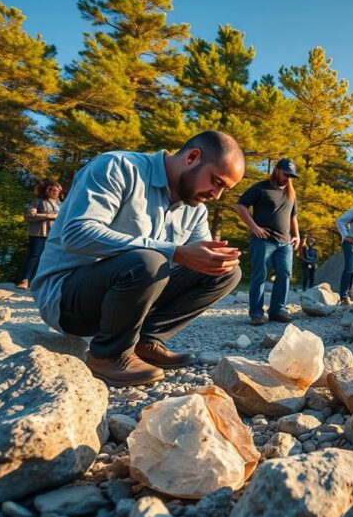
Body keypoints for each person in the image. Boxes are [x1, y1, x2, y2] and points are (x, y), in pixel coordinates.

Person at [30, 131, 245, 386]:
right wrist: (174, 251)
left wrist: (214, 259)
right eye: (216, 182)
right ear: (192, 157)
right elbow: (77, 234)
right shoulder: (118, 167)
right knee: (150, 260)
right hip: (68, 299)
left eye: (224, 189)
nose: (216, 195)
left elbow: (198, 261)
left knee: (226, 272)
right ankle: (108, 355)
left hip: (128, 296)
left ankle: (146, 340)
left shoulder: (195, 210)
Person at [236, 158, 300, 325]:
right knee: (260, 275)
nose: (288, 178)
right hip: (264, 241)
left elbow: (293, 216)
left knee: (284, 274)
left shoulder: (291, 193)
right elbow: (240, 206)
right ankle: (256, 314)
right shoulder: (261, 187)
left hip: (285, 243)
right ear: (277, 170)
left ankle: (277, 311)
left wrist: (297, 235)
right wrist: (254, 227)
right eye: (286, 174)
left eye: (291, 176)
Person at [16, 179, 63, 290]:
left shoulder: (61, 204)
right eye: (54, 190)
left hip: (54, 235)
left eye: (59, 191)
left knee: (49, 259)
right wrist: (49, 216)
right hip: (39, 233)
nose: (57, 193)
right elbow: (29, 215)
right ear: (48, 190)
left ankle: (39, 283)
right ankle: (24, 281)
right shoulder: (38, 201)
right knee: (34, 256)